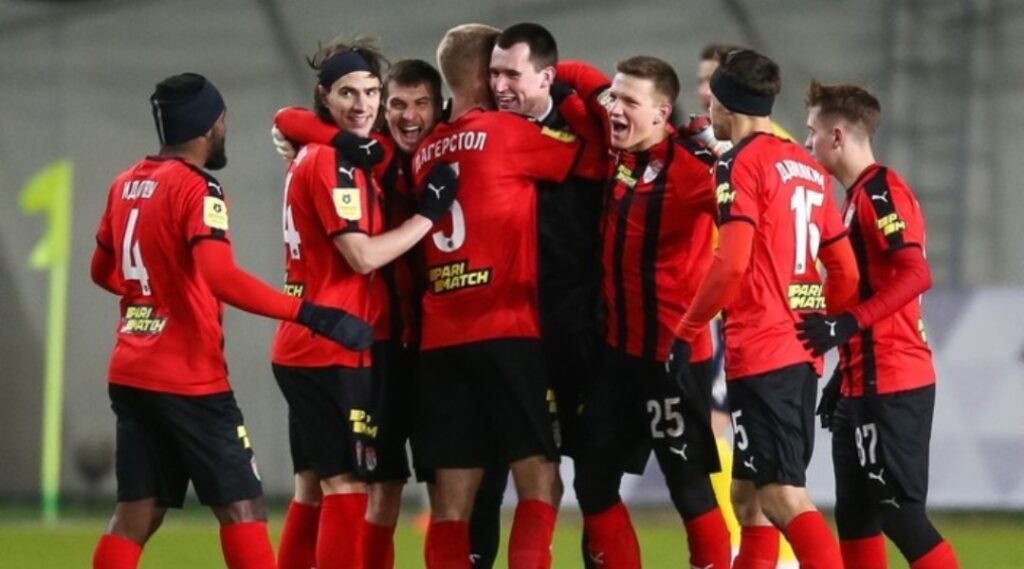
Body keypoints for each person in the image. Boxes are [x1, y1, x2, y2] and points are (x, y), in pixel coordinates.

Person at [89, 72, 372, 569]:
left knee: (136, 513)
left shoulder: (125, 183)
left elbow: (101, 271)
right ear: (210, 125)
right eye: (223, 122)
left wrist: (153, 296)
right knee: (243, 507)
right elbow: (222, 279)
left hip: (130, 369)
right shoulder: (199, 188)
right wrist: (311, 314)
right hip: (188, 378)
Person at [270, 41, 456, 569]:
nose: (366, 104)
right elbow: (363, 256)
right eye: (351, 93)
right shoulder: (343, 158)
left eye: (372, 93)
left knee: (326, 485)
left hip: (346, 339)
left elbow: (289, 119)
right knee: (348, 485)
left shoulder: (346, 151)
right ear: (325, 97)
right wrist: (428, 216)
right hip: (349, 341)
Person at [671, 49, 860, 569]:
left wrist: (687, 329)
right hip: (798, 353)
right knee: (748, 499)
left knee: (780, 496)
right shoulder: (808, 168)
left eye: (711, 99)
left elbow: (731, 263)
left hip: (762, 351)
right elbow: (844, 271)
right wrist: (816, 324)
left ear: (726, 104)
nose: (707, 108)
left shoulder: (739, 163)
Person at [410, 23, 588, 569]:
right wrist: (566, 88)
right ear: (485, 75)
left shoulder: (424, 151)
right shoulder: (506, 132)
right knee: (541, 484)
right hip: (506, 330)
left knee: (451, 505)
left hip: (439, 341)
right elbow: (586, 153)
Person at [556, 55, 733, 569]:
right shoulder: (617, 143)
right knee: (592, 481)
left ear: (661, 113)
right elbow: (575, 73)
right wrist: (517, 68)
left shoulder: (692, 172)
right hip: (616, 357)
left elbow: (748, 219)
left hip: (672, 362)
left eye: (630, 101)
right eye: (615, 97)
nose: (615, 108)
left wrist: (726, 153)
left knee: (689, 489)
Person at [799, 80, 960, 569]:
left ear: (837, 135)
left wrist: (846, 324)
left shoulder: (881, 191)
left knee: (899, 514)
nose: (808, 141)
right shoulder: (854, 198)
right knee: (855, 516)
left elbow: (916, 273)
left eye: (812, 131)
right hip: (861, 382)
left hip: (892, 380)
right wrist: (842, 377)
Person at [464, 22, 607, 569]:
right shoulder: (479, 132)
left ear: (546, 77)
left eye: (511, 74)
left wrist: (576, 83)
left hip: (577, 331)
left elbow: (629, 113)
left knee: (593, 478)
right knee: (490, 474)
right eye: (493, 73)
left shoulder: (587, 126)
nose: (499, 85)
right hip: (505, 332)